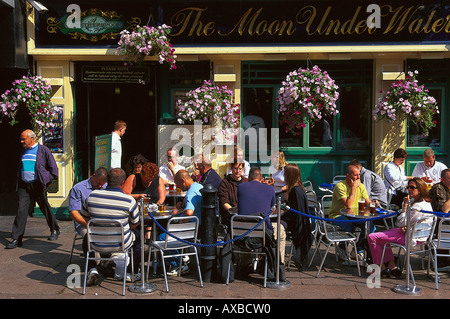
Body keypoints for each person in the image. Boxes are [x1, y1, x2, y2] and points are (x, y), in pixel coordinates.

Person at [81, 168, 140, 285]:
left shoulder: (92, 196)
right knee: (139, 237)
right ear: (123, 183)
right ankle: (130, 272)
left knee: (87, 236)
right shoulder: (129, 201)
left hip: (96, 243)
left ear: (107, 180)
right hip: (120, 244)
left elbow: (85, 216)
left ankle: (92, 269)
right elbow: (135, 223)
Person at [367, 177, 434, 278]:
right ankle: (392, 266)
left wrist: (404, 207)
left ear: (420, 190)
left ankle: (379, 267)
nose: (409, 189)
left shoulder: (417, 206)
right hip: (417, 235)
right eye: (408, 187)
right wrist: (405, 224)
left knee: (372, 237)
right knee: (384, 235)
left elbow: (402, 222)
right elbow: (406, 223)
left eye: (412, 187)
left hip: (411, 237)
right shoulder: (425, 203)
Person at [6, 130, 60, 249]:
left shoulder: (43, 150)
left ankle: (55, 229)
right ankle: (16, 238)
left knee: (44, 207)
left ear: (32, 138)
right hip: (24, 185)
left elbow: (53, 169)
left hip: (37, 184)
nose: (21, 141)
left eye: (23, 139)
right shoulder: (24, 150)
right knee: (21, 210)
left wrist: (46, 179)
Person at [237, 167, 286, 263]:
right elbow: (272, 210)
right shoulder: (270, 189)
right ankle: (278, 265)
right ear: (262, 179)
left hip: (242, 232)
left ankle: (244, 263)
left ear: (248, 179)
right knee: (280, 231)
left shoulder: (241, 187)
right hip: (263, 232)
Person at [328, 164, 375, 259]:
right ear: (348, 176)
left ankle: (358, 249)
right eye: (355, 175)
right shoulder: (340, 186)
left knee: (371, 227)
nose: (358, 177)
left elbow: (368, 201)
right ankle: (342, 247)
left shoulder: (361, 186)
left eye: (359, 175)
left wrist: (374, 204)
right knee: (349, 227)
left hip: (355, 216)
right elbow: (348, 205)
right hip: (337, 215)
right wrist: (353, 188)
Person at [163, 170, 203, 275]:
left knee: (163, 238)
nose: (179, 187)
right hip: (200, 226)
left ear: (183, 181)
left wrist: (181, 221)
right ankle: (182, 258)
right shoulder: (199, 187)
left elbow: (189, 213)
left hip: (191, 229)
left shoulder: (190, 193)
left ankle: (178, 264)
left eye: (179, 184)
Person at [282, 163, 312, 269]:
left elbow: (294, 212)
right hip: (300, 222)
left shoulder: (295, 190)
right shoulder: (298, 188)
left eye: (285, 174)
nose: (284, 176)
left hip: (296, 224)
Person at [68, 167, 108, 238]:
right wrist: (89, 224)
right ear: (93, 176)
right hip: (84, 224)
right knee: (93, 238)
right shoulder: (78, 188)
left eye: (102, 184)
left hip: (103, 222)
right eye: (98, 183)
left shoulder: (106, 187)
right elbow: (73, 213)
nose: (100, 186)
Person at [218, 161, 248, 227]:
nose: (238, 171)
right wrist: (234, 212)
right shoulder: (225, 183)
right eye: (235, 168)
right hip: (230, 217)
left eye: (240, 169)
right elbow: (224, 202)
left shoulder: (246, 182)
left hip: (246, 215)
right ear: (231, 168)